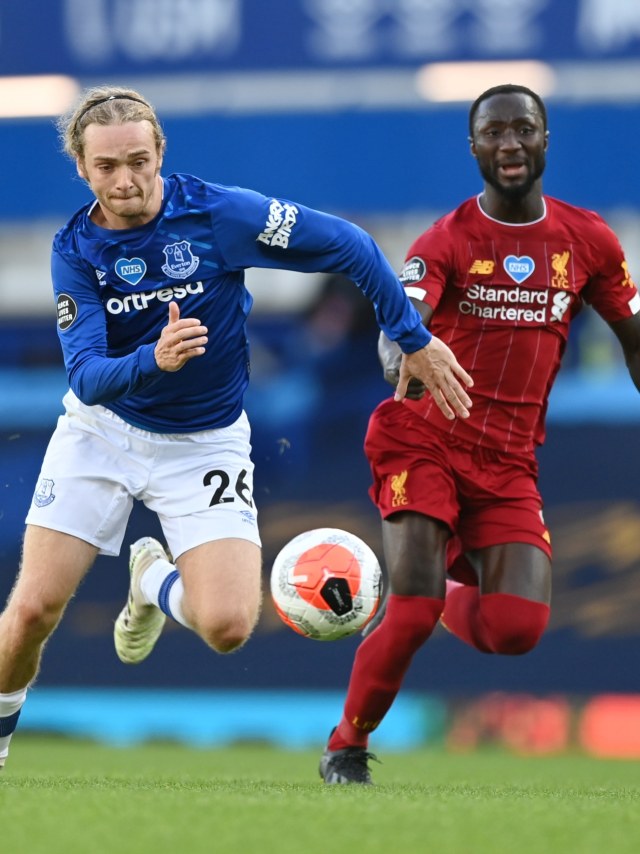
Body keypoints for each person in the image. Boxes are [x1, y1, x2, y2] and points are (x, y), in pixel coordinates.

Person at [0, 85, 473, 770]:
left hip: (205, 442)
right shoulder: (75, 249)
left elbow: (351, 245)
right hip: (101, 433)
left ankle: (154, 583)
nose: (126, 179)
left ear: (162, 150)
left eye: (139, 160)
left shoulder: (219, 216)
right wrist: (152, 360)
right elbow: (86, 378)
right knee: (35, 609)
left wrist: (412, 335)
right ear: (82, 169)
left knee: (227, 626)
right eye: (107, 168)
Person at [319, 83, 640, 784]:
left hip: (509, 461)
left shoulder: (589, 241)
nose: (509, 145)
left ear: (545, 137)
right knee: (410, 611)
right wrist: (399, 350)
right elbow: (401, 318)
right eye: (493, 133)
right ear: (474, 148)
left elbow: (633, 338)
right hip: (424, 436)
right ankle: (346, 746)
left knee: (516, 629)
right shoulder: (448, 239)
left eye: (522, 129)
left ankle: (437, 587)